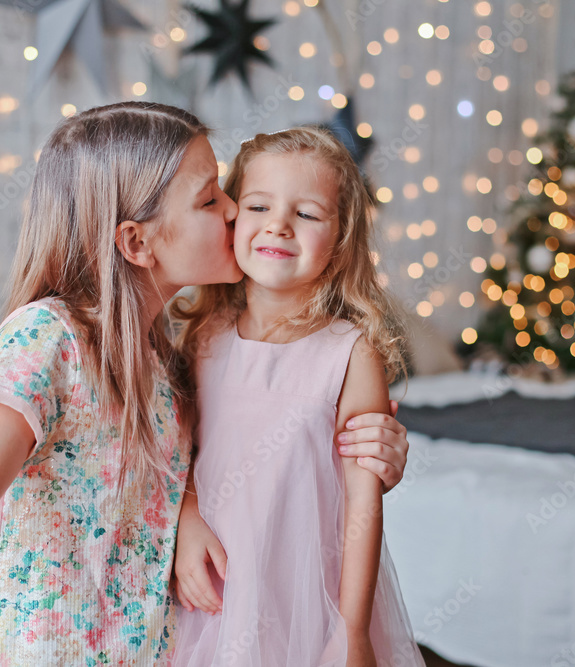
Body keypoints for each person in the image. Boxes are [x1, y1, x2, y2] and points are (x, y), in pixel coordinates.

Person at [0, 102, 410, 666]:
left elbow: (198, 469)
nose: (234, 212)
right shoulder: (47, 341)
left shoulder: (164, 361)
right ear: (138, 243)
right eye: (211, 198)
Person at [171, 127, 425, 666]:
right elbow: (179, 455)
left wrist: (352, 631)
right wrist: (188, 516)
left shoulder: (350, 353)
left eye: (307, 214)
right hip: (215, 587)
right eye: (259, 205)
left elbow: (363, 500)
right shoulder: (203, 338)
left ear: (339, 242)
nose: (279, 225)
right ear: (233, 217)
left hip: (309, 596)